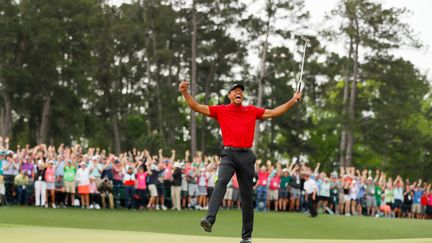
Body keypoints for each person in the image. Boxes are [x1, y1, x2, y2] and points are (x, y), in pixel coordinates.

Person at [179, 80, 302, 243]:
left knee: (246, 197)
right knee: (221, 181)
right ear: (230, 95)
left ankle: (246, 237)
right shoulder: (221, 110)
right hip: (229, 154)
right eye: (235, 90)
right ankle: (209, 219)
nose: (239, 92)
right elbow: (197, 106)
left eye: (241, 91)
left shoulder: (250, 110)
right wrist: (184, 92)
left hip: (246, 156)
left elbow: (273, 112)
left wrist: (292, 101)